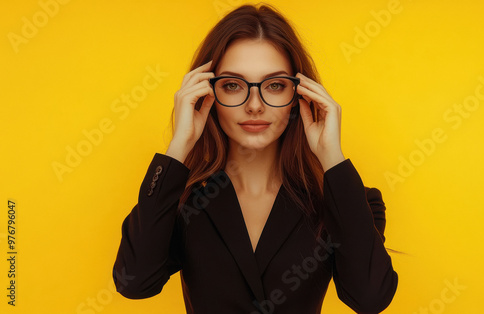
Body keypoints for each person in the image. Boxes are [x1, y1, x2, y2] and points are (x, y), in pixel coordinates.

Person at [113, 3, 398, 313]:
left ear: (299, 95)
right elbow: (134, 282)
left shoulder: (348, 203)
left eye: (274, 85)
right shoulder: (182, 201)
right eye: (233, 85)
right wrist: (179, 145)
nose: (254, 105)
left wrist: (331, 156)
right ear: (206, 94)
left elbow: (370, 298)